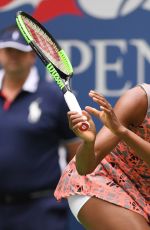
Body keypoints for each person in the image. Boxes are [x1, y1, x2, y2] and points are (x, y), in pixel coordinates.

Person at [0, 25, 81, 230]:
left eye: (20, 51)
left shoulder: (53, 97)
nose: (13, 56)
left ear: (33, 56)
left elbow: (77, 155)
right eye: (8, 50)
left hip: (42, 210)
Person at [54, 84, 150, 230]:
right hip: (101, 179)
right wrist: (88, 142)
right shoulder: (139, 99)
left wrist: (122, 131)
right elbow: (85, 167)